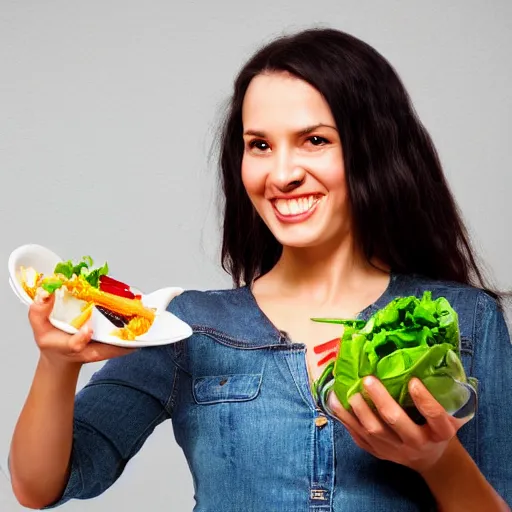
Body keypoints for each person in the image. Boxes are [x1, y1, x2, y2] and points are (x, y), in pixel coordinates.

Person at [8, 27, 512, 511]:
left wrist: (436, 459)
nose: (283, 174)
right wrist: (59, 364)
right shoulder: (188, 327)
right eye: (260, 145)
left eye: (315, 140)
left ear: (373, 150)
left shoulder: (467, 319)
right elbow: (42, 485)